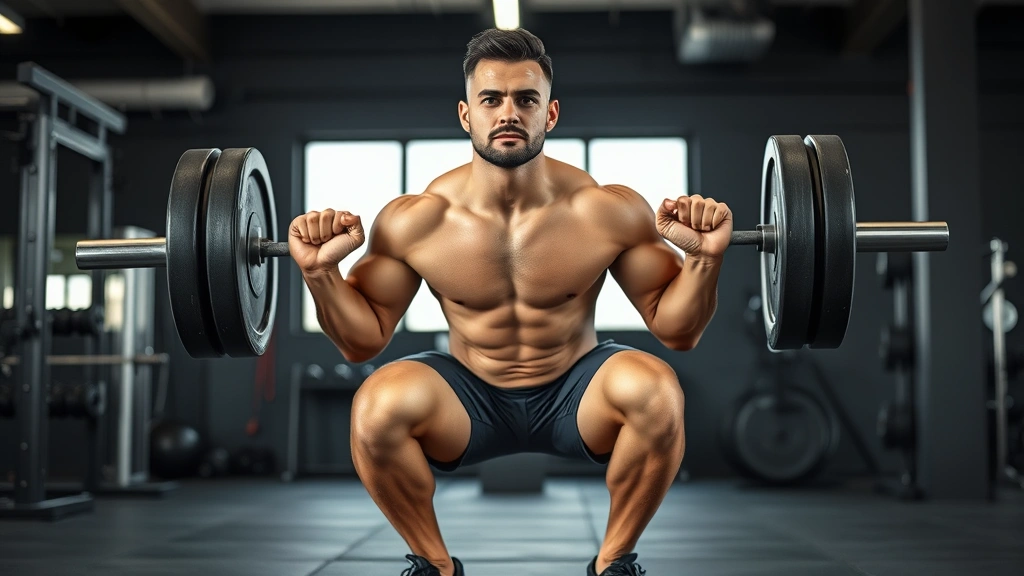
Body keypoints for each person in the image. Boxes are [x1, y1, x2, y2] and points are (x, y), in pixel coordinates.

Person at [289, 27, 732, 576]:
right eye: (490, 99)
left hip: (576, 393)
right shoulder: (417, 220)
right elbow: (362, 342)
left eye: (526, 99)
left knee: (657, 389)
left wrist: (706, 259)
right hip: (470, 397)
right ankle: (434, 567)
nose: (508, 113)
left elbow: (678, 330)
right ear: (465, 115)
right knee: (376, 406)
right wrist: (320, 272)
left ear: (550, 114)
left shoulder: (606, 210)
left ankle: (613, 564)